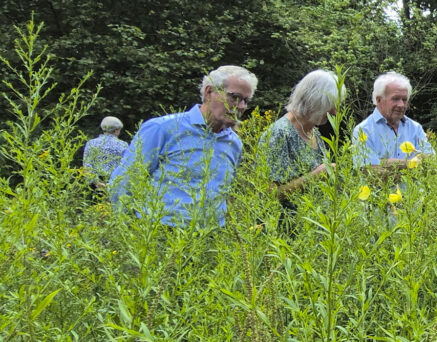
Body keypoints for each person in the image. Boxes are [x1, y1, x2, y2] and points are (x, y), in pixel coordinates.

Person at [109, 65, 257, 228]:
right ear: (209, 92)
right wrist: (128, 229)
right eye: (234, 97)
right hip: (158, 232)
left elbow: (226, 192)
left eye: (246, 101)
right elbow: (124, 182)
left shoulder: (234, 143)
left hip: (210, 236)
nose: (241, 106)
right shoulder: (162, 128)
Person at [260, 69, 343, 233]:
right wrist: (316, 175)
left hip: (313, 231)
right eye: (330, 105)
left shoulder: (313, 132)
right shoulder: (279, 134)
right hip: (286, 234)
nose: (334, 112)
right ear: (314, 101)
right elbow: (268, 193)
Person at [352, 72, 433, 177]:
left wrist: (386, 163)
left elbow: (430, 162)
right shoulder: (363, 130)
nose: (401, 105)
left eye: (404, 99)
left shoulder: (415, 128)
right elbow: (370, 173)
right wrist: (412, 164)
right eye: (395, 99)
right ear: (379, 100)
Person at [83, 116, 129, 188]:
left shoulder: (91, 143)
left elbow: (87, 166)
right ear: (116, 130)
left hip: (94, 185)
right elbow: (125, 166)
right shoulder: (123, 145)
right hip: (115, 183)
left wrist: (96, 182)